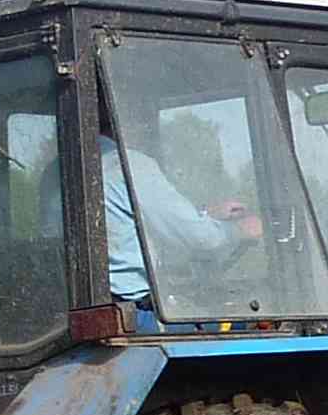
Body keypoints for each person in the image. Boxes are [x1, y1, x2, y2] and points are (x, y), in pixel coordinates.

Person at [101, 130, 262, 316]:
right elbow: (198, 238)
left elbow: (141, 222)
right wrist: (241, 230)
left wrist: (204, 214)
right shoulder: (127, 164)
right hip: (135, 311)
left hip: (99, 307)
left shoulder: (80, 165)